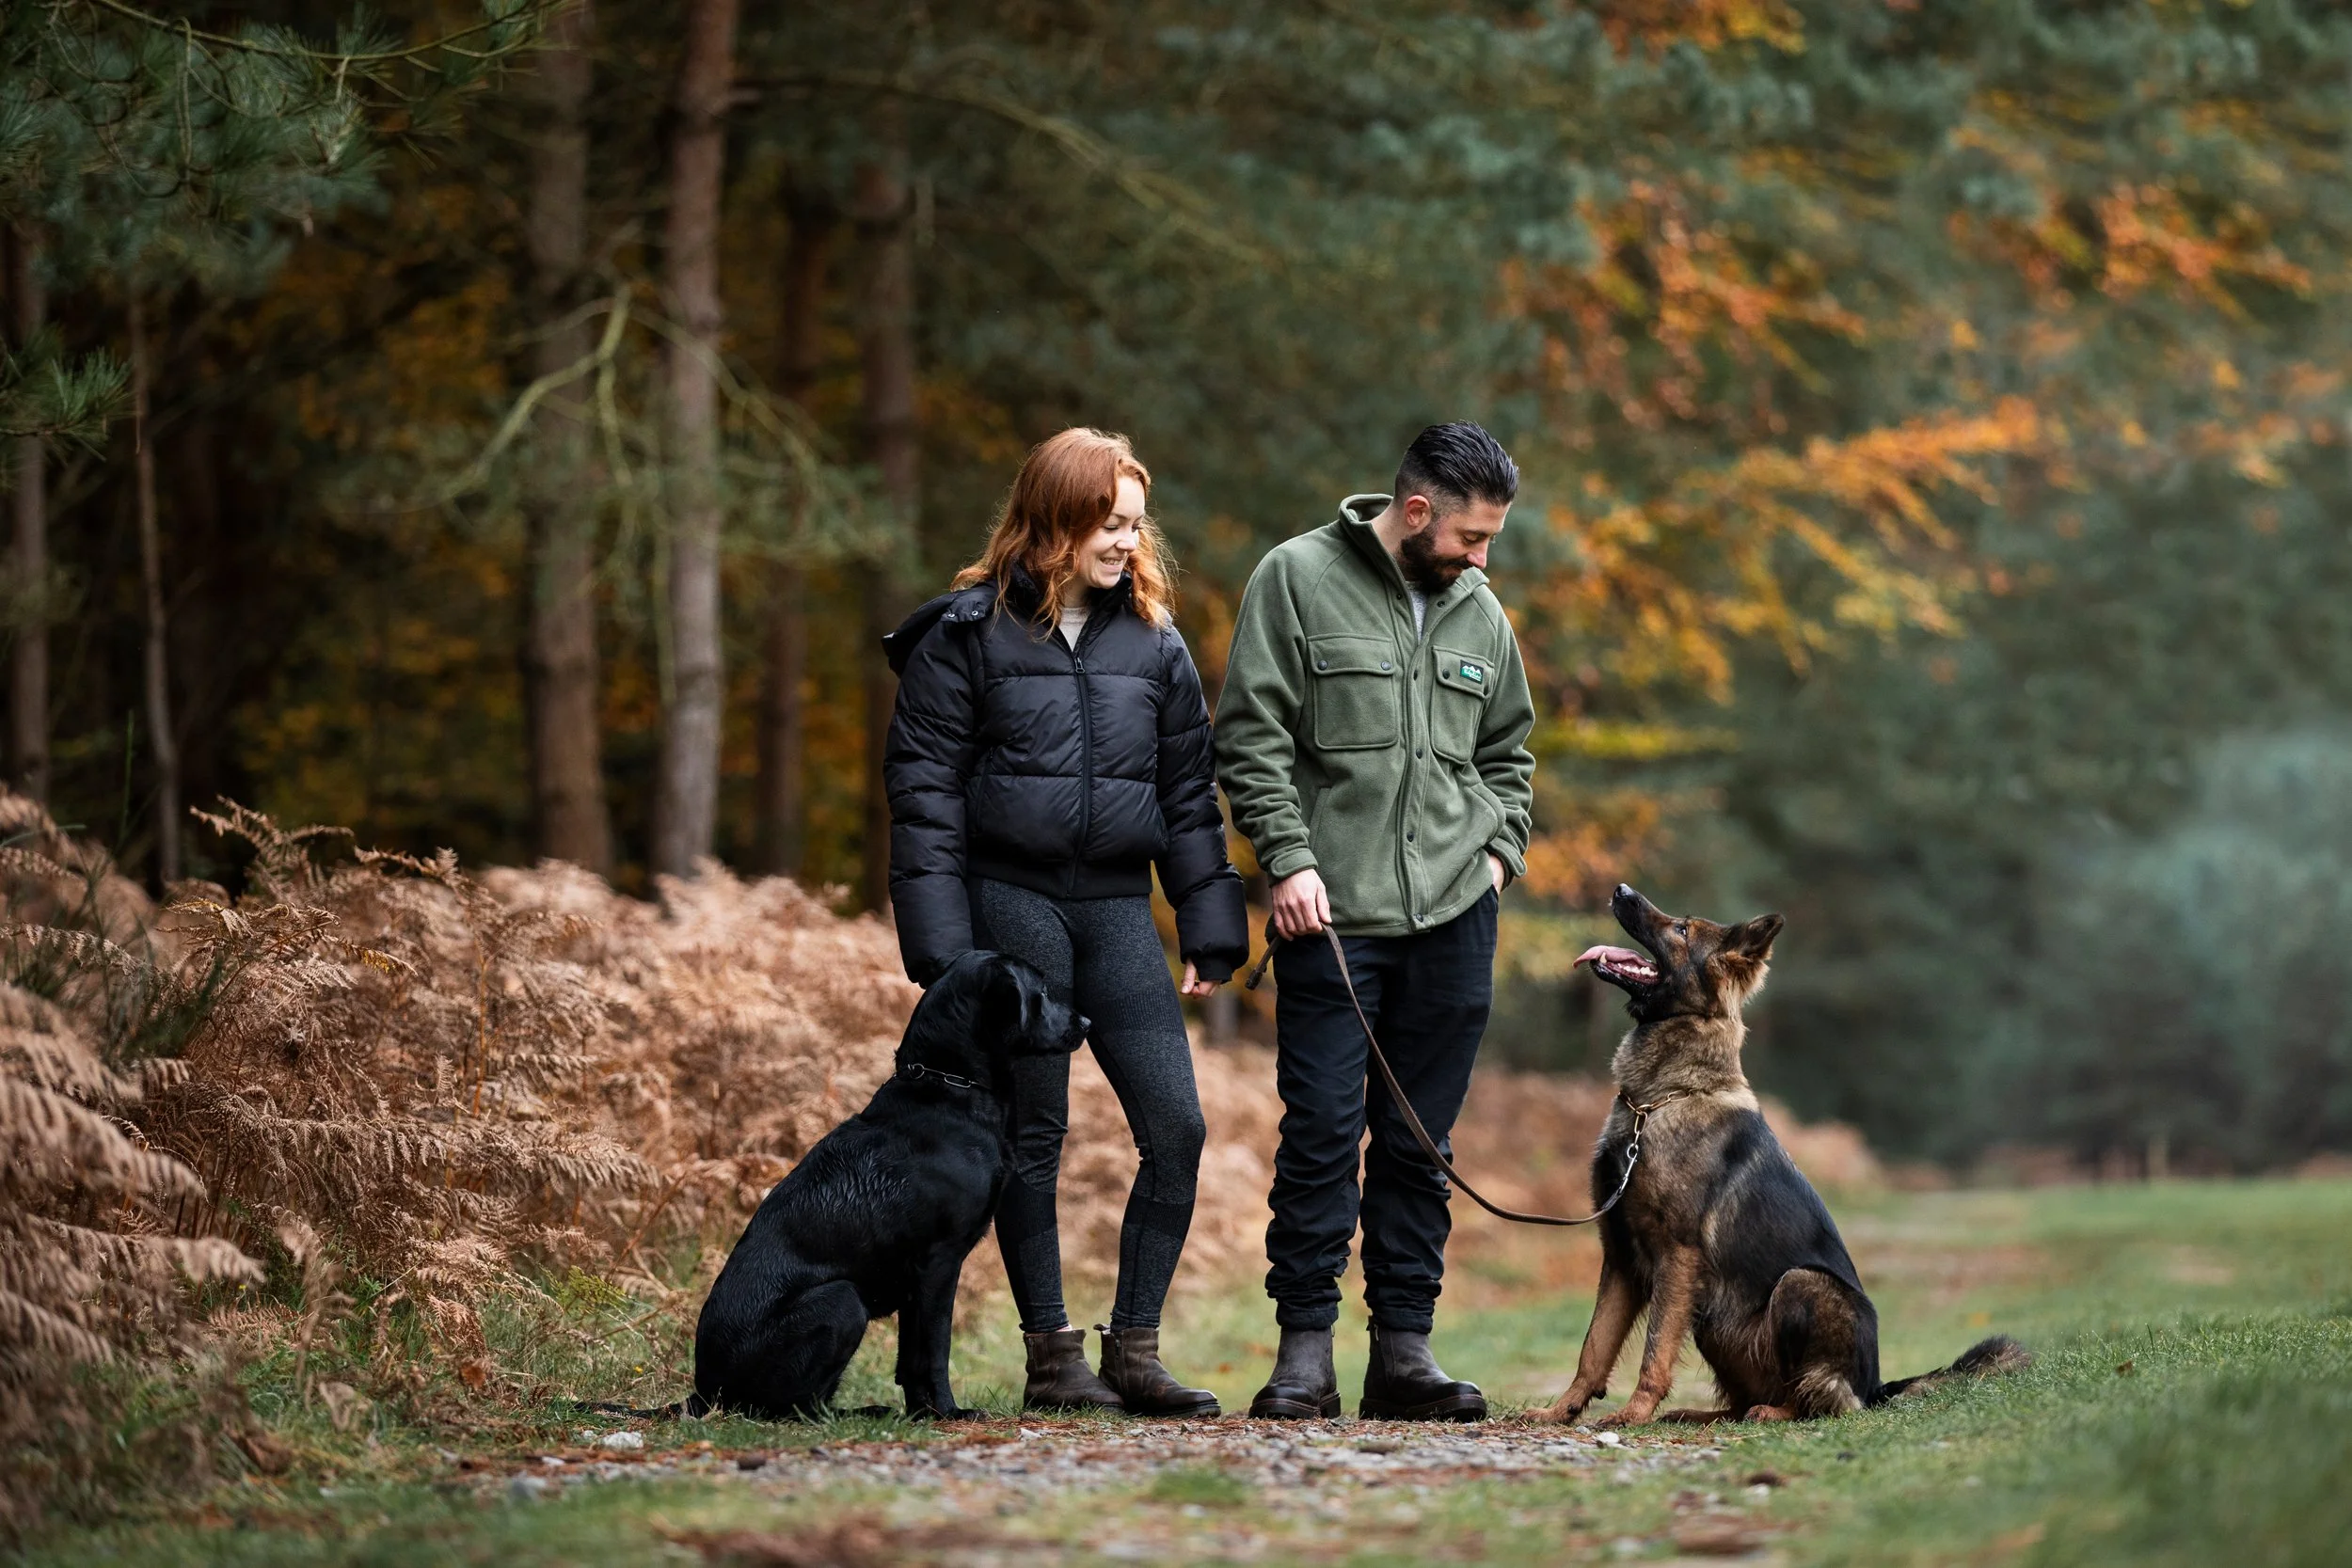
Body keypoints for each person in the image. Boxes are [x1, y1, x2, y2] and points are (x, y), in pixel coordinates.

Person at [882, 426, 1249, 1416]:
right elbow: (923, 796)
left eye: (1135, 523)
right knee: (1032, 1132)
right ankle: (1052, 1355)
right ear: (1053, 523)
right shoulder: (965, 635)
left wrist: (1211, 921)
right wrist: (944, 952)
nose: (1127, 541)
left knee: (1176, 1124)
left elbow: (1185, 796)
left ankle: (1134, 1348)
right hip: (1012, 906)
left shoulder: (1156, 644)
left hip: (1119, 908)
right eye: (1107, 522)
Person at [1215, 421, 1536, 1421]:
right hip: (1330, 917)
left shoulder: (1481, 614)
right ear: (1415, 512)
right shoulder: (1294, 577)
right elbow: (1250, 734)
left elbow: (1509, 759)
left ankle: (1404, 1353)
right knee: (1318, 1133)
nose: (1482, 559)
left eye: (1491, 541)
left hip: (1454, 917)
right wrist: (1288, 858)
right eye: (1470, 537)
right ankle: (1302, 1353)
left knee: (1418, 1144)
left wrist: (1496, 856)